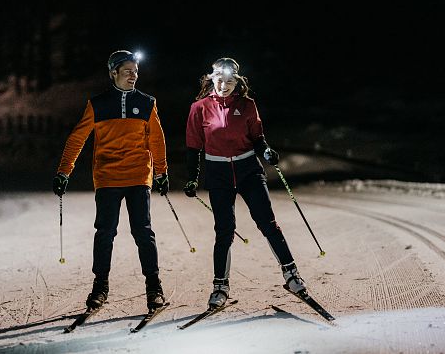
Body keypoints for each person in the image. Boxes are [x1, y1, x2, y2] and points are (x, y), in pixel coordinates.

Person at [183, 57, 306, 308]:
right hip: (218, 173)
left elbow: (258, 138)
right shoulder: (199, 108)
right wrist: (192, 178)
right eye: (220, 80)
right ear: (211, 79)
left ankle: (291, 275)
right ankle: (220, 287)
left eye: (230, 81)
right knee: (224, 230)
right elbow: (193, 147)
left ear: (236, 82)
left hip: (248, 168)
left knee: (267, 222)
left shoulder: (247, 104)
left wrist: (267, 151)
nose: (224, 85)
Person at [52, 50, 170, 311]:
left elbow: (156, 139)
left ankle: (154, 286)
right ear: (113, 72)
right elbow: (77, 137)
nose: (133, 75)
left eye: (136, 71)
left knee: (143, 232)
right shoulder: (98, 104)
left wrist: (161, 172)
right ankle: (100, 286)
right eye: (127, 70)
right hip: (107, 178)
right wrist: (64, 171)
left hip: (139, 175)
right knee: (105, 232)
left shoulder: (147, 102)